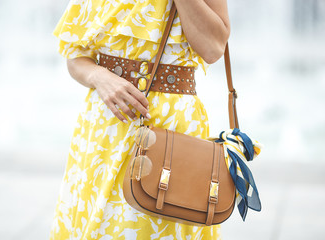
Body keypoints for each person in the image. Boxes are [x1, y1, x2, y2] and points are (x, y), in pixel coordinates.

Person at [49, 0, 230, 239]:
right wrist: (99, 76)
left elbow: (213, 48)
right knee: (97, 224)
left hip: (170, 127)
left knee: (160, 224)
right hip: (107, 125)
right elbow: (75, 57)